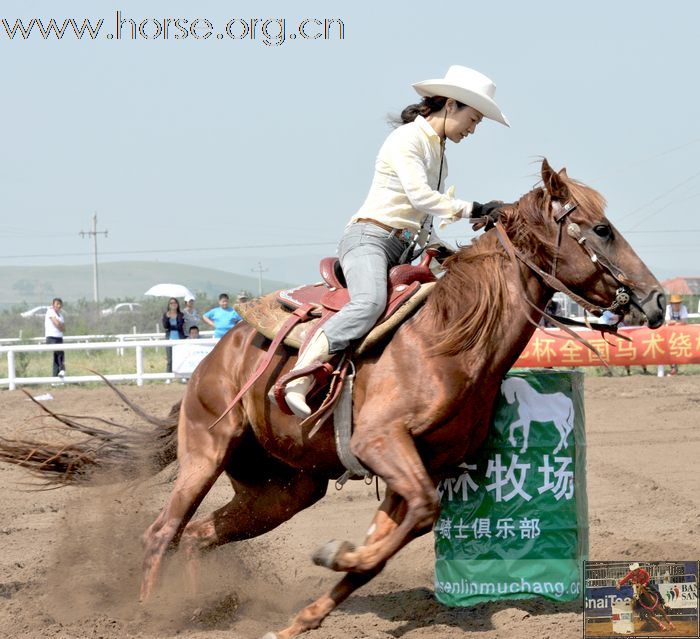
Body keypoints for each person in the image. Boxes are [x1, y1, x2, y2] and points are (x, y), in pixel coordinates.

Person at [284, 65, 510, 418]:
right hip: (369, 239)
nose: (473, 129)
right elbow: (420, 197)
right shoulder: (407, 139)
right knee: (369, 302)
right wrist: (474, 208)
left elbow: (423, 219)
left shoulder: (439, 155)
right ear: (450, 105)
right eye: (474, 119)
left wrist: (446, 248)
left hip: (405, 248)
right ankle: (300, 376)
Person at [658, 294, 689, 376]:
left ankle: (674, 367)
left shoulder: (683, 308)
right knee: (668, 349)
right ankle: (673, 367)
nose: (676, 305)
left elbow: (684, 321)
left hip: (681, 333)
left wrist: (674, 323)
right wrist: (677, 323)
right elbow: (668, 322)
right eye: (674, 303)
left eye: (678, 303)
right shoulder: (668, 309)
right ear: (671, 303)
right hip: (668, 333)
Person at [162, 297, 185, 374]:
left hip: (179, 338)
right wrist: (168, 319)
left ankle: (181, 375)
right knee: (170, 359)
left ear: (177, 304)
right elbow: (165, 326)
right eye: (171, 303)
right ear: (169, 305)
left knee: (180, 358)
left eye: (175, 303)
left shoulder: (181, 315)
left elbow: (180, 326)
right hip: (170, 338)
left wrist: (171, 327)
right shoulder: (165, 315)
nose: (173, 304)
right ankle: (168, 376)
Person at [44, 298, 65, 377]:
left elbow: (63, 328)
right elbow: (56, 323)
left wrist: (59, 324)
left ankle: (55, 378)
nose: (59, 306)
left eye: (60, 304)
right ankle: (62, 369)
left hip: (59, 337)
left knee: (56, 358)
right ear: (53, 305)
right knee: (60, 353)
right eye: (57, 304)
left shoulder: (61, 316)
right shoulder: (50, 311)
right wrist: (59, 324)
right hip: (51, 338)